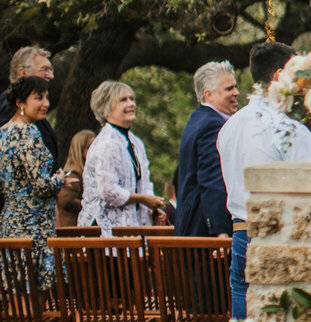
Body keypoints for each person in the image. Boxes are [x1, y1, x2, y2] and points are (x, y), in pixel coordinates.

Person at [218, 42, 311, 322]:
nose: (305, 83)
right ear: (280, 76)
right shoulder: (287, 129)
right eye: (298, 73)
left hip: (240, 235)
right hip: (275, 240)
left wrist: (306, 147)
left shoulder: (231, 126)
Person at [0, 78, 65, 288]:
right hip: (34, 225)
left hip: (10, 222)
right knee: (34, 306)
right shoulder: (29, 132)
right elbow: (41, 186)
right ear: (20, 102)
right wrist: (59, 179)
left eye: (46, 97)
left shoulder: (2, 132)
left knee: (16, 298)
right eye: (39, 98)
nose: (45, 103)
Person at [79, 81, 162, 234]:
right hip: (105, 232)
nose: (131, 104)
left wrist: (151, 203)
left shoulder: (136, 142)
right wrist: (142, 199)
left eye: (132, 99)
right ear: (106, 108)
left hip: (133, 228)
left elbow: (145, 182)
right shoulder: (106, 143)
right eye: (123, 100)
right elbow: (109, 192)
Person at [175, 62, 239, 237]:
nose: (236, 93)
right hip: (204, 230)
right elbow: (213, 179)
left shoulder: (197, 119)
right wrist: (220, 230)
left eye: (235, 87)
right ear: (209, 95)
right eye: (229, 89)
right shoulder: (213, 125)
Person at [8, 47, 58, 172]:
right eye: (44, 70)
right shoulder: (8, 108)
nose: (51, 76)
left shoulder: (34, 111)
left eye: (51, 70)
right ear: (23, 73)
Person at [56, 128, 96, 229]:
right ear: (80, 150)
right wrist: (89, 208)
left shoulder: (85, 173)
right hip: (72, 232)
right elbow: (65, 200)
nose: (94, 151)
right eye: (90, 147)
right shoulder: (73, 175)